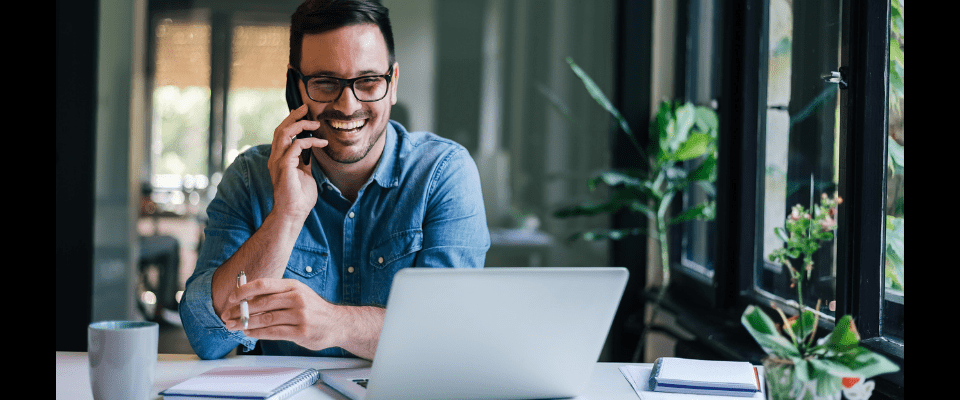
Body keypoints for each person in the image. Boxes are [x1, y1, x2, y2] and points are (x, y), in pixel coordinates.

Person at [180, 0, 490, 360]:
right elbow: (206, 339)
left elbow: (450, 335)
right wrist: (286, 216)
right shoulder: (250, 177)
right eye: (325, 83)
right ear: (296, 87)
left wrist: (334, 324)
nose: (347, 105)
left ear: (392, 84)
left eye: (369, 81)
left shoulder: (444, 172)